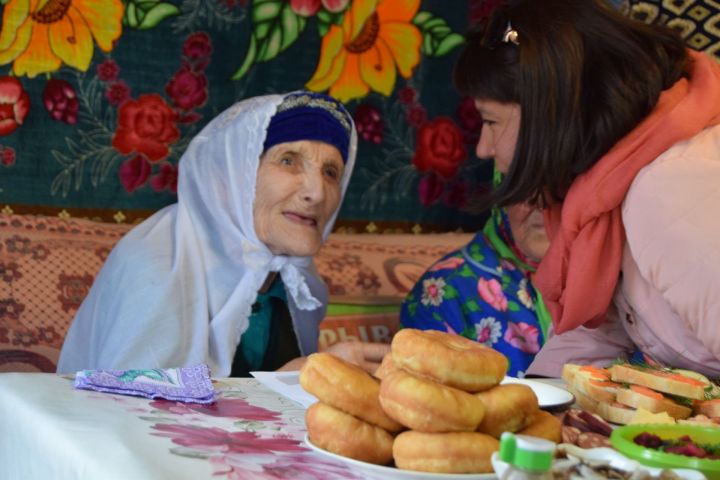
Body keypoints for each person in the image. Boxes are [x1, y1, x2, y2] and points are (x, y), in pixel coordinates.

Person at [452, 0, 720, 378]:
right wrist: (525, 418)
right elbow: (590, 340)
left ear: (548, 114)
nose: (483, 147)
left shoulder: (667, 191)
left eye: (491, 121)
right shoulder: (603, 191)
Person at [57, 91, 388, 377]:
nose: (317, 192)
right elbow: (128, 406)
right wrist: (295, 377)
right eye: (288, 161)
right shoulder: (157, 261)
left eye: (331, 172)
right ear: (231, 178)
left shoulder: (298, 283)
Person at [400, 171, 551, 377]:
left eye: (560, 183)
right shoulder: (445, 290)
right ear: (503, 191)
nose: (542, 201)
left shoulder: (603, 280)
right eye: (525, 182)